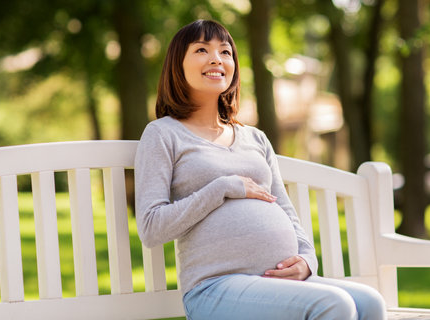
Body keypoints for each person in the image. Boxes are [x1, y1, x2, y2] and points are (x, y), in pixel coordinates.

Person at [135, 19, 386, 320]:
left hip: (276, 284)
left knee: (370, 302)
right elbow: (151, 228)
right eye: (202, 49)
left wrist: (307, 260)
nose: (216, 58)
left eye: (225, 52)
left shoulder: (254, 137)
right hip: (214, 288)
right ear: (177, 65)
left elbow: (284, 208)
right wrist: (223, 188)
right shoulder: (163, 134)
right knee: (334, 304)